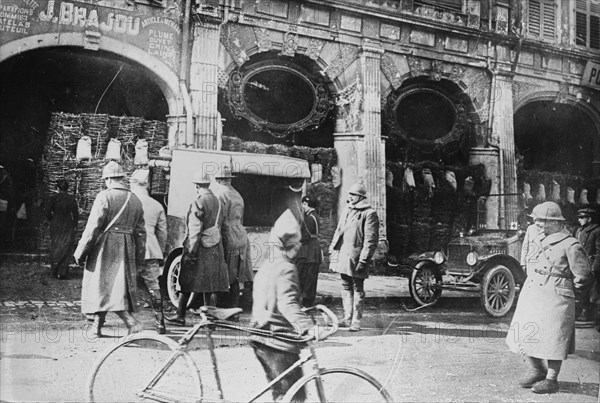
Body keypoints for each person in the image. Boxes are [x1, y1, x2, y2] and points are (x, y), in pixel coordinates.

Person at [506, 201, 593, 394]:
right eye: (535, 221)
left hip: (556, 294)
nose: (537, 225)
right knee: (525, 332)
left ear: (555, 222)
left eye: (541, 221)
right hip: (534, 290)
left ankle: (551, 379)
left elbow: (583, 275)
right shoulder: (539, 234)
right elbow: (529, 254)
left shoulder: (571, 244)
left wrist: (572, 294)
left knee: (554, 338)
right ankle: (538, 370)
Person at [249, 209, 319, 402]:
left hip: (261, 337)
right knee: (293, 396)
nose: (298, 249)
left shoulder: (268, 264)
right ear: (292, 245)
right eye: (296, 244)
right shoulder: (286, 268)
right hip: (277, 341)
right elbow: (287, 304)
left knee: (283, 393)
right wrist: (308, 327)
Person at [73, 161, 146, 338]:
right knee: (114, 287)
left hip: (105, 246)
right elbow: (141, 233)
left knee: (102, 286)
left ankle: (130, 322)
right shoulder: (135, 199)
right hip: (127, 246)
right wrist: (139, 256)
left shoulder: (104, 197)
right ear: (121, 178)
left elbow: (93, 227)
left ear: (108, 179)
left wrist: (80, 251)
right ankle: (96, 327)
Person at [165, 171, 229, 326]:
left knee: (186, 281)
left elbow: (195, 231)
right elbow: (223, 226)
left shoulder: (198, 202)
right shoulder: (219, 201)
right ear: (208, 184)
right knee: (211, 285)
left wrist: (191, 253)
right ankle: (210, 320)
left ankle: (180, 315)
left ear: (196, 185)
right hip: (215, 246)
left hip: (199, 248)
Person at [329, 181, 379, 332]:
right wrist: (333, 248)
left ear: (360, 196)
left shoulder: (369, 214)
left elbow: (370, 241)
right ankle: (347, 317)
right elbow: (339, 230)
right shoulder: (347, 209)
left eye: (353, 195)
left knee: (358, 287)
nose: (350, 197)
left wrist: (364, 260)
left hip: (357, 257)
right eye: (349, 194)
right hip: (344, 255)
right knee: (345, 285)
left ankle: (356, 320)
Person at [129, 169, 168, 334]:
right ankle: (160, 322)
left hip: (129, 250)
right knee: (154, 286)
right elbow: (163, 233)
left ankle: (130, 323)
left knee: (125, 286)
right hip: (150, 251)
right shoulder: (156, 205)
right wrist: (159, 251)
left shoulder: (129, 202)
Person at [210, 166, 253, 310]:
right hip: (240, 235)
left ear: (219, 179)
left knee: (219, 273)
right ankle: (235, 311)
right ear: (229, 179)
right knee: (235, 276)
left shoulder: (220, 194)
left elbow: (218, 220)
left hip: (227, 234)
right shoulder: (237, 194)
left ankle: (214, 311)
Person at [45, 179, 79, 279]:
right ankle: (62, 272)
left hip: (56, 224)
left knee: (55, 245)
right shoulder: (71, 199)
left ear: (57, 188)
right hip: (68, 224)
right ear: (67, 188)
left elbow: (47, 212)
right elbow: (75, 214)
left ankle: (54, 271)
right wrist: (75, 224)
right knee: (65, 247)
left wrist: (52, 220)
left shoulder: (53, 198)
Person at [574, 207, 600, 324]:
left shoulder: (597, 231)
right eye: (579, 217)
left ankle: (588, 314)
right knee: (580, 289)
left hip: (591, 264)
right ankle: (582, 311)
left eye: (582, 217)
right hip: (580, 263)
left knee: (592, 291)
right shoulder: (579, 231)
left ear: (589, 219)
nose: (579, 220)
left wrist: (595, 267)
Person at [295, 196, 323, 307]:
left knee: (309, 277)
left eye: (303, 205)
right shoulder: (312, 216)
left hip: (310, 249)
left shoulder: (310, 218)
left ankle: (307, 303)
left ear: (307, 204)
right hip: (309, 249)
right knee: (304, 276)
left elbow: (304, 236)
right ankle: (305, 301)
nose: (302, 207)